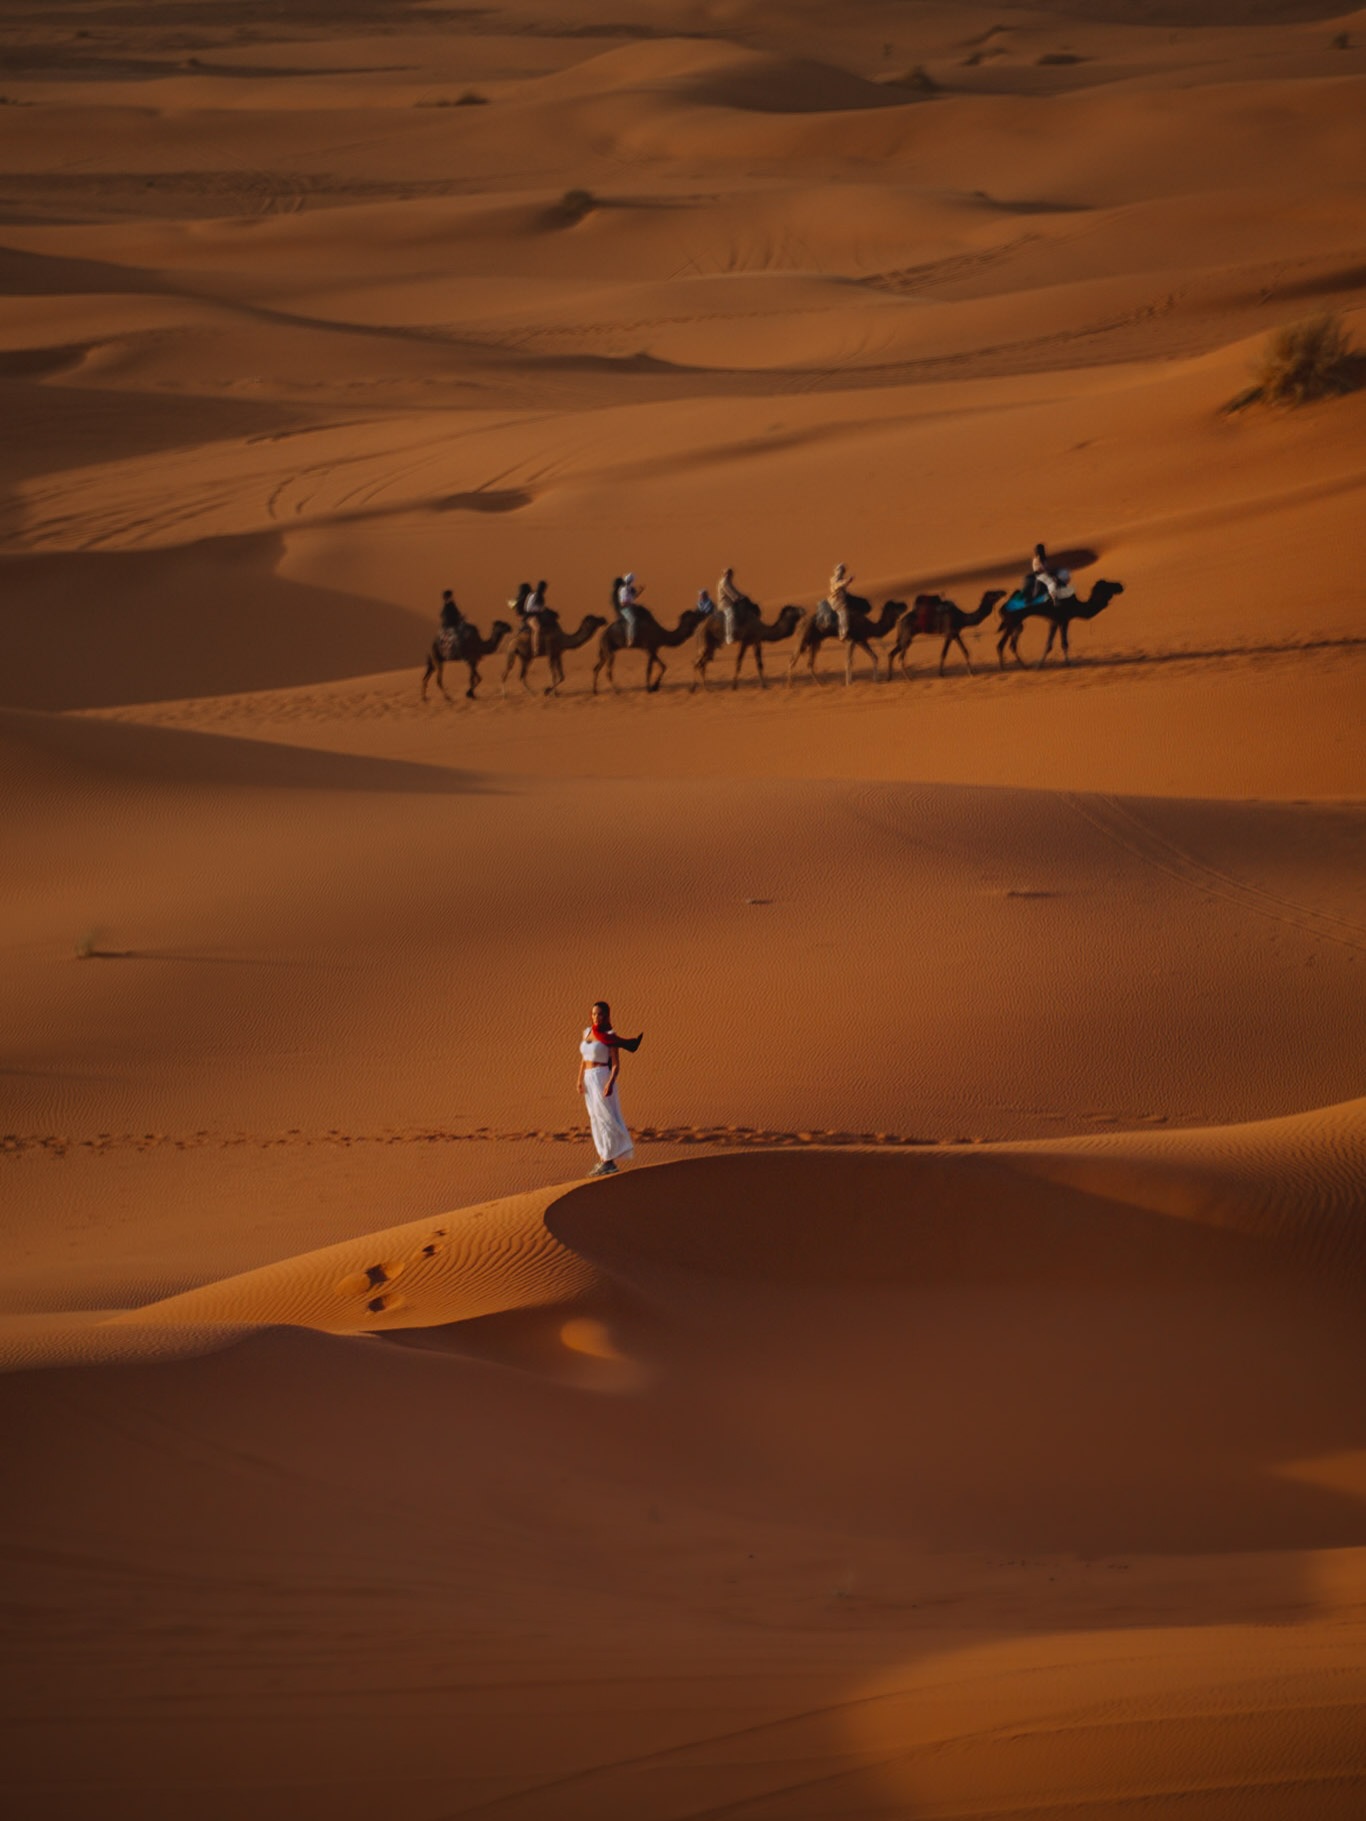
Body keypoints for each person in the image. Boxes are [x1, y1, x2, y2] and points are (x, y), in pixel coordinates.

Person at [577, 1001, 642, 1177]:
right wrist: (579, 1079)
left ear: (606, 1016)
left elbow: (615, 1064)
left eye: (600, 1014)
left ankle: (609, 1161)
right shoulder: (587, 1032)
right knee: (595, 1119)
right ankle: (603, 1158)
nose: (596, 1017)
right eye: (593, 1014)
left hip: (601, 1077)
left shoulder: (610, 1036)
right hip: (589, 1079)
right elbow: (583, 1059)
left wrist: (610, 1082)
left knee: (606, 1118)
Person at [718, 566, 745, 645]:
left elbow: (735, 590)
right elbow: (730, 592)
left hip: (731, 603)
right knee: (731, 616)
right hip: (725, 604)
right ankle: (729, 638)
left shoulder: (729, 581)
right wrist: (736, 598)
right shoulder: (724, 582)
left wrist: (742, 596)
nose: (729, 575)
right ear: (724, 574)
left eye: (730, 573)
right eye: (727, 573)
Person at [617, 572, 642, 647]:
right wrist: (630, 604)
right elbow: (623, 603)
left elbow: (633, 597)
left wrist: (640, 591)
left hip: (630, 606)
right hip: (625, 608)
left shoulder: (629, 588)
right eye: (631, 581)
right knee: (632, 620)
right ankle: (630, 639)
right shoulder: (623, 590)